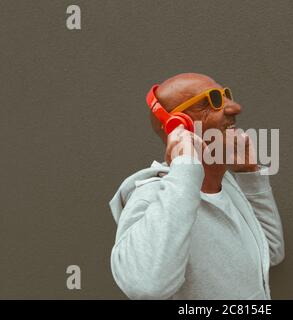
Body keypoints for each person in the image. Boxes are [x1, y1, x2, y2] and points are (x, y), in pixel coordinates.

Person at [109, 73, 284, 299]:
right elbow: (146, 286)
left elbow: (271, 251)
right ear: (179, 124)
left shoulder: (227, 188)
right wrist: (184, 164)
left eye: (225, 95)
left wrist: (249, 174)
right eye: (211, 101)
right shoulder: (150, 197)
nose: (235, 108)